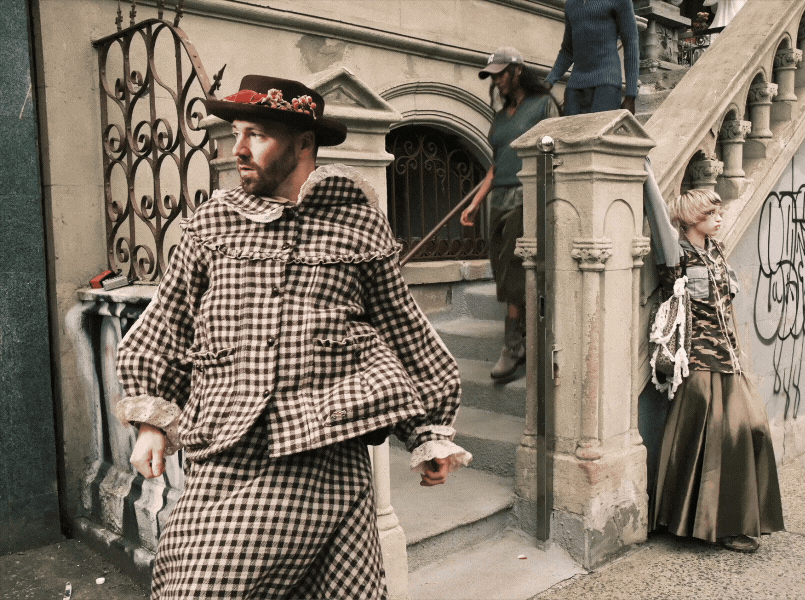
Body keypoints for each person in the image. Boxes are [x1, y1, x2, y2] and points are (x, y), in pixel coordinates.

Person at [115, 74, 472, 599]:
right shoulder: (211, 226)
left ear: (304, 143)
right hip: (224, 451)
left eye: (256, 134)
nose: (238, 149)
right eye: (237, 132)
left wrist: (428, 433)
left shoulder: (358, 227)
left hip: (325, 454)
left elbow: (404, 331)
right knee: (191, 582)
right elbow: (168, 324)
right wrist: (151, 424)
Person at [651, 188, 784, 553]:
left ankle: (723, 521)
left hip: (729, 360)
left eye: (719, 212)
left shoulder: (716, 252)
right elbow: (659, 215)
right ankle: (720, 527)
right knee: (714, 445)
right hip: (699, 362)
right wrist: (645, 164)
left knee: (751, 431)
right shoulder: (677, 255)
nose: (720, 218)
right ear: (693, 218)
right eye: (712, 213)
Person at [460, 48, 560, 381]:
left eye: (501, 73)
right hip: (499, 197)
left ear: (517, 71)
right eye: (492, 75)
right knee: (500, 268)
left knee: (516, 266)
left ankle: (513, 345)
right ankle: (522, 337)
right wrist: (474, 204)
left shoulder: (542, 106)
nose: (497, 80)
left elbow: (555, 154)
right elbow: (495, 164)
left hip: (526, 194)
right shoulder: (501, 117)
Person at [544, 0, 640, 116]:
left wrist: (631, 95)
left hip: (606, 85)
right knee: (569, 132)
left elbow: (631, 44)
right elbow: (567, 50)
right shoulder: (571, 4)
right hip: (575, 87)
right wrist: (549, 81)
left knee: (599, 132)